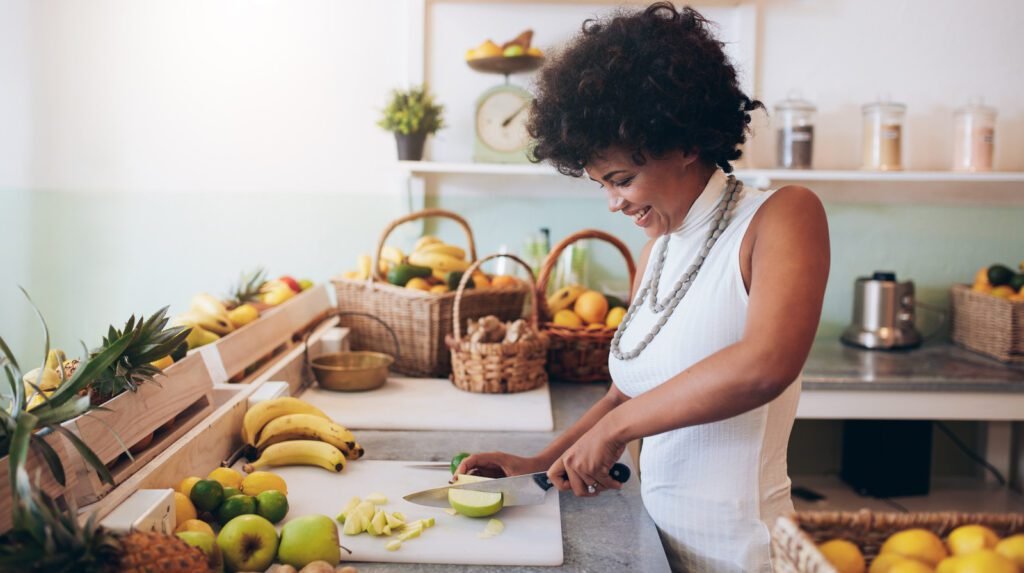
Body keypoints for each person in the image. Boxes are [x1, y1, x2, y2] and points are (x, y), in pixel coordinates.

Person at [456, 3, 830, 571]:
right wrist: (538, 463)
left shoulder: (781, 217)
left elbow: (765, 364)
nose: (613, 202)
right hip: (658, 547)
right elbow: (629, 391)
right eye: (602, 184)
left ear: (682, 142)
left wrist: (617, 431)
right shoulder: (659, 247)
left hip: (744, 554)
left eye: (623, 180)